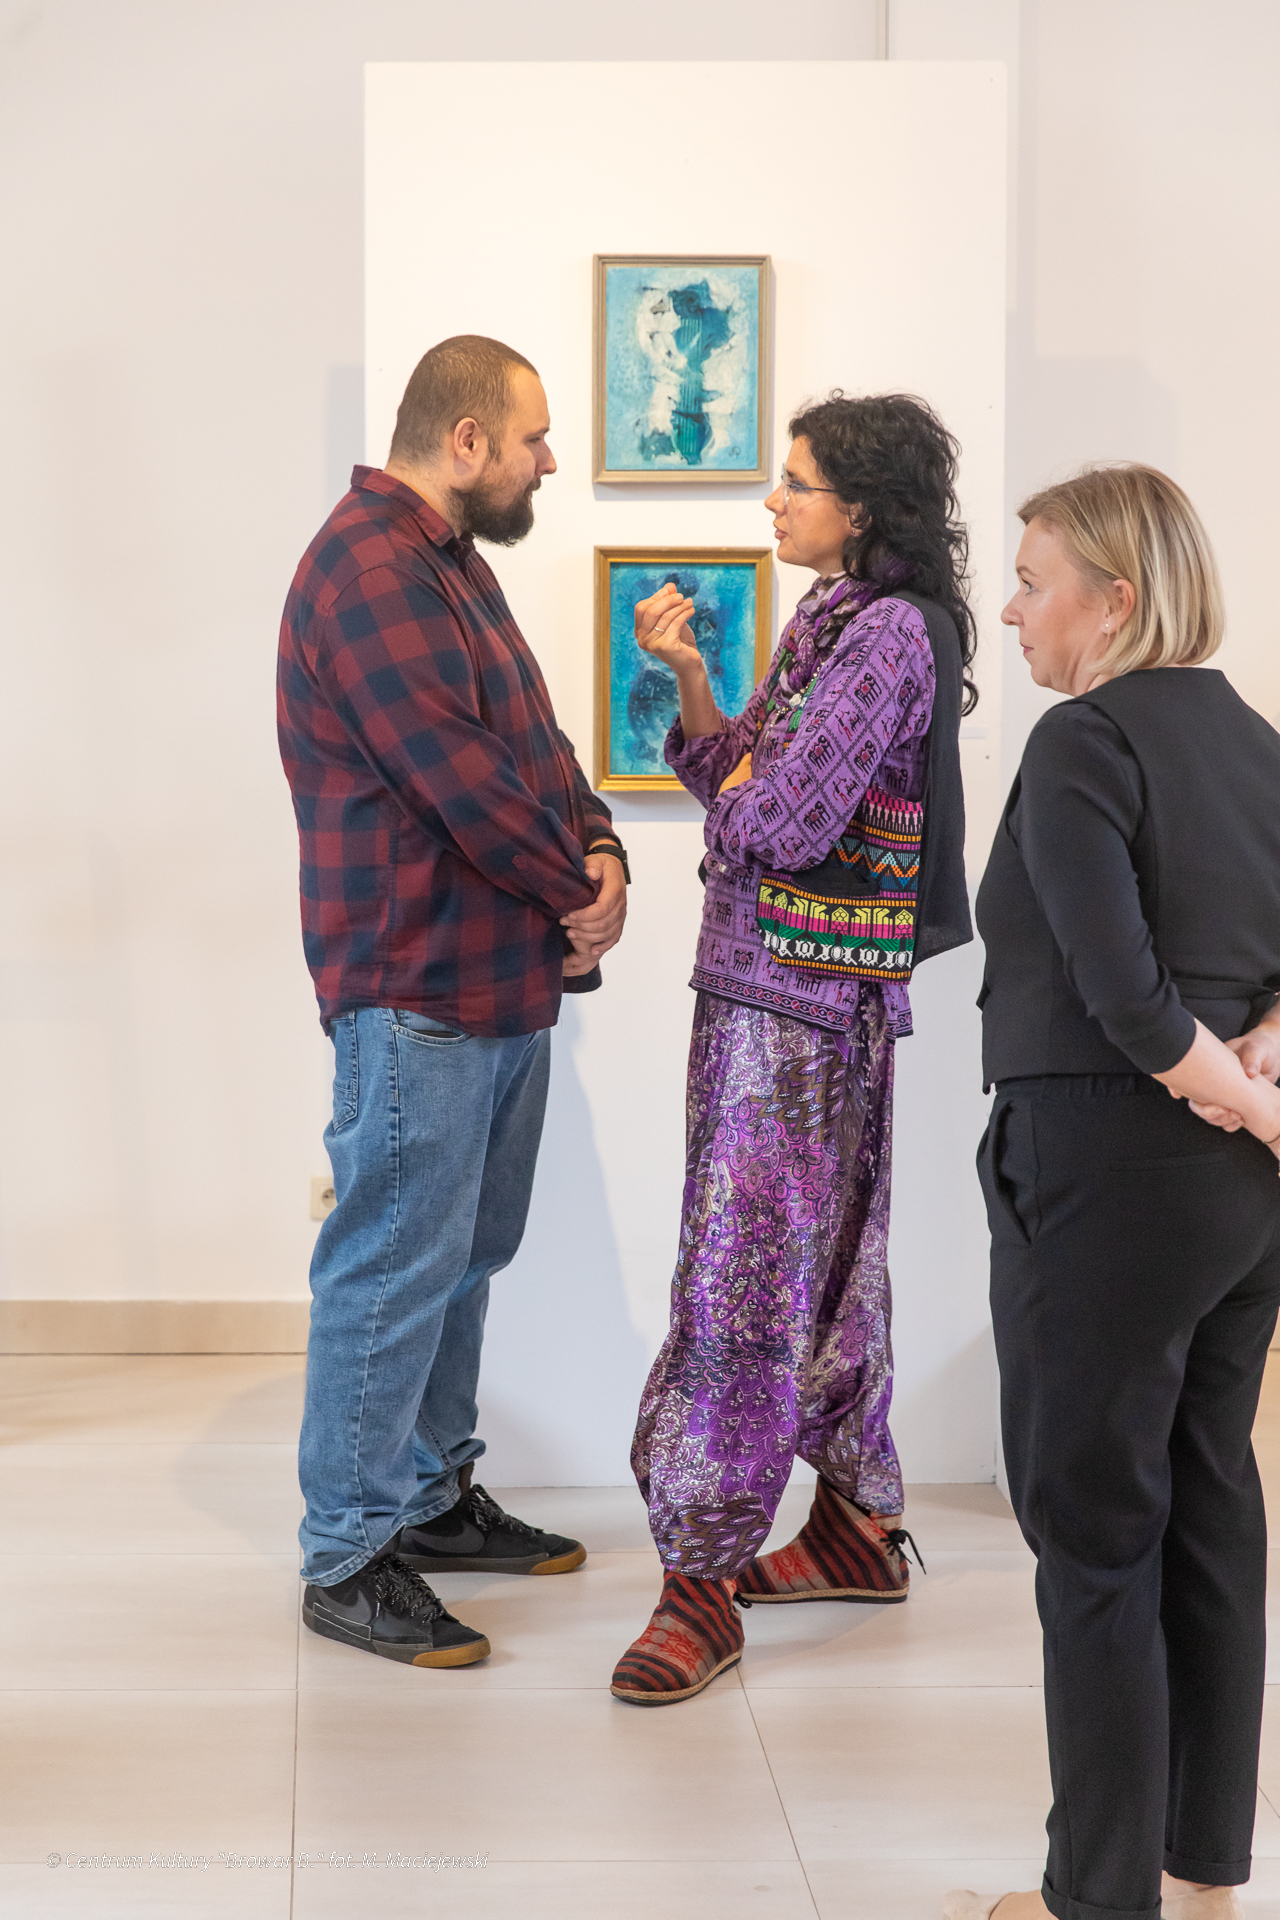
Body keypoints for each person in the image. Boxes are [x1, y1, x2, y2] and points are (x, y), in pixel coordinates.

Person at [947, 466, 1280, 1920]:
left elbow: (1125, 997)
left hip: (1103, 1174)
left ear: (1116, 601)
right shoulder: (1258, 745)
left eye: (1034, 583)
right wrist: (1262, 1087)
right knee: (1210, 1501)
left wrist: (1249, 1096)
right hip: (1237, 1204)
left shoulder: (1085, 739)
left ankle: (1096, 1903)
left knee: (1093, 1537)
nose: (1013, 610)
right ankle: (1201, 1879)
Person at [611, 392, 975, 1705]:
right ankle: (859, 1526)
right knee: (824, 1265)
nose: (775, 500)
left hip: (800, 1009)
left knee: (743, 1280)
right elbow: (735, 778)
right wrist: (692, 679)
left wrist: (753, 789)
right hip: (772, 990)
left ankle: (699, 1580)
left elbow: (783, 823)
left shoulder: (886, 636)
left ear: (861, 507)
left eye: (798, 481)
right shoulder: (829, 619)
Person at [277, 335, 629, 1670]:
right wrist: (576, 888)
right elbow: (459, 782)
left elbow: (533, 743)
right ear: (465, 439)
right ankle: (347, 1552)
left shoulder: (453, 566)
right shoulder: (371, 572)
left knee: (462, 1258)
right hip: (415, 982)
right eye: (533, 437)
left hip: (495, 981)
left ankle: (426, 1497)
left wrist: (602, 846)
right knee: (388, 1269)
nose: (550, 460)